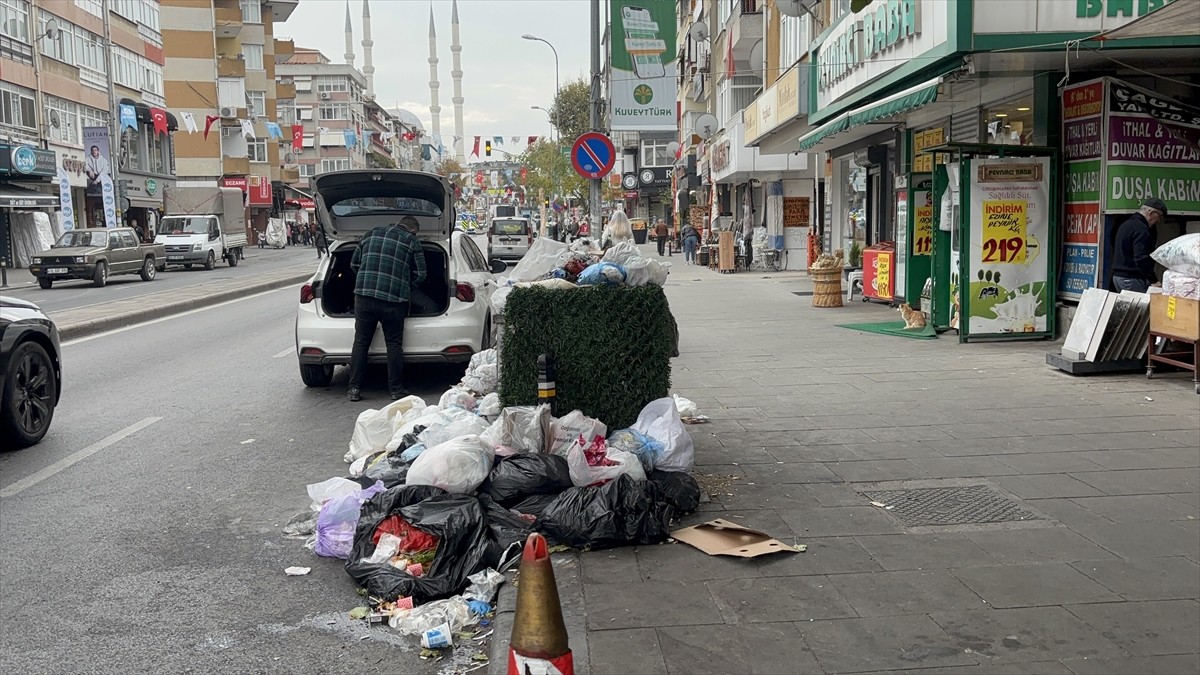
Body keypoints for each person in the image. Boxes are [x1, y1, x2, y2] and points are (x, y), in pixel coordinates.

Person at [346, 215, 427, 402]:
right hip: (394, 300)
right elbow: (422, 273)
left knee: (361, 342)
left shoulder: (371, 233)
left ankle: (354, 389)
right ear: (413, 230)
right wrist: (406, 287)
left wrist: (367, 281)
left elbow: (354, 263)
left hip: (364, 297)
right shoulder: (411, 241)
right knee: (393, 343)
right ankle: (396, 390)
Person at [1111, 198, 1166, 293]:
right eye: (1160, 216)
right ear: (1151, 213)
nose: (1159, 221)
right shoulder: (1141, 229)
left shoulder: (1126, 224)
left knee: (1129, 306)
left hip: (1118, 277)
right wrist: (1154, 280)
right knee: (1142, 307)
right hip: (1132, 278)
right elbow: (1141, 258)